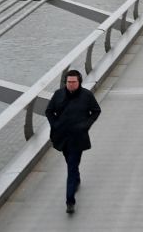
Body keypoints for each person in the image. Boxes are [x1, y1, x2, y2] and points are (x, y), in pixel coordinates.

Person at [45, 69, 101, 213]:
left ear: (79, 82)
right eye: (68, 82)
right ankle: (76, 179)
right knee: (70, 163)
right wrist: (55, 124)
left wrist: (86, 125)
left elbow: (96, 111)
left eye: (73, 82)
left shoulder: (87, 96)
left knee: (71, 165)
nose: (71, 84)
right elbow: (49, 111)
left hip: (78, 138)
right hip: (62, 137)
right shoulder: (58, 95)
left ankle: (70, 200)